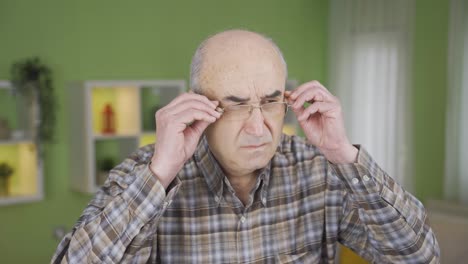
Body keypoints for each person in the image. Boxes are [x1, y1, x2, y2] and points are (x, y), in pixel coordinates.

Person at [52, 29, 440, 263]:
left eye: (271, 102)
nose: (259, 128)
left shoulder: (319, 171)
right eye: (236, 105)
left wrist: (344, 154)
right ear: (199, 105)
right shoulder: (148, 173)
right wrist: (159, 175)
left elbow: (418, 255)